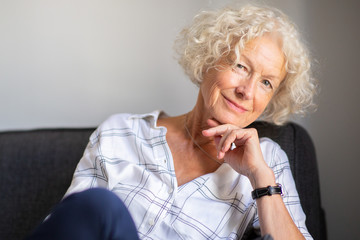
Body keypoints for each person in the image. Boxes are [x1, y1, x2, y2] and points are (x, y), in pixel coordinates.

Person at [27, 4, 316, 240]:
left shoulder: (268, 163)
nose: (247, 91)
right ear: (208, 60)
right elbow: (66, 225)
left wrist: (260, 178)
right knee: (99, 207)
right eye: (241, 66)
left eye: (266, 82)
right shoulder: (121, 133)